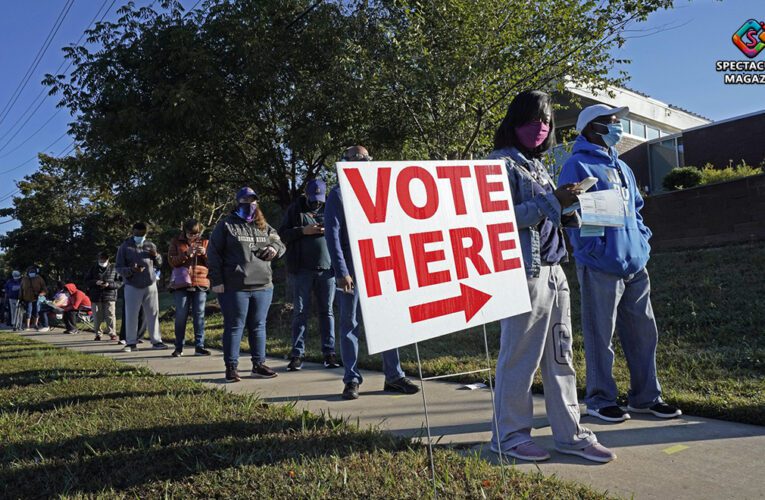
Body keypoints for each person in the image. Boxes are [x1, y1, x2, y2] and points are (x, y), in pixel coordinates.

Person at [487, 91, 615, 463]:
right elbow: (502, 221)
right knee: (520, 356)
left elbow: (546, 215)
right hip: (523, 273)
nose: (541, 128)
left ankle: (570, 432)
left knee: (562, 354)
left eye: (546, 121)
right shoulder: (498, 164)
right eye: (533, 120)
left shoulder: (538, 165)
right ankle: (508, 435)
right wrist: (552, 202)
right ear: (514, 122)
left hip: (556, 268)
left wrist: (569, 208)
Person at [559, 104, 682, 422]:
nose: (617, 127)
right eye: (611, 122)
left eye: (617, 122)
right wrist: (594, 250)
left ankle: (646, 397)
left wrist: (643, 241)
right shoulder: (578, 164)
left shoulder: (623, 167)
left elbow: (636, 209)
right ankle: (601, 399)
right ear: (591, 128)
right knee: (601, 335)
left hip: (635, 264)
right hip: (600, 265)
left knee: (644, 334)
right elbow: (571, 213)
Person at [325, 145, 420, 400]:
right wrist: (342, 271)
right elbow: (332, 237)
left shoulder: (383, 191)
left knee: (389, 322)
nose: (358, 163)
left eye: (363, 159)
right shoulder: (338, 195)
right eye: (353, 159)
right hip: (352, 270)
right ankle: (352, 380)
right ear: (343, 163)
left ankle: (394, 376)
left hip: (381, 266)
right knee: (350, 324)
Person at [208, 187, 286, 382]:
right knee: (235, 326)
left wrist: (274, 249)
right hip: (235, 286)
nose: (250, 204)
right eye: (245, 200)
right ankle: (231, 367)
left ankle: (258, 365)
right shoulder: (226, 225)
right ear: (238, 202)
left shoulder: (264, 226)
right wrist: (216, 280)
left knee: (258, 326)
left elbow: (280, 243)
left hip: (263, 285)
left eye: (253, 200)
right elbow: (213, 253)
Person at [279, 179, 340, 371]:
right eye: (313, 198)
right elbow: (282, 235)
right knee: (300, 312)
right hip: (301, 270)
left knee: (327, 312)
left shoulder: (332, 206)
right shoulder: (295, 209)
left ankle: (329, 353)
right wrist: (302, 231)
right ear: (306, 194)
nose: (317, 202)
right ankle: (297, 354)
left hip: (327, 270)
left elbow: (342, 231)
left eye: (320, 198)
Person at [115, 222, 168, 351]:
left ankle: (156, 341)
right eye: (138, 234)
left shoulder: (150, 245)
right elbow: (119, 267)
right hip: (132, 285)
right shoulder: (124, 247)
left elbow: (160, 263)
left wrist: (156, 256)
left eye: (143, 234)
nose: (140, 236)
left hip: (150, 284)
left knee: (153, 314)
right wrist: (131, 270)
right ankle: (131, 343)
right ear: (133, 232)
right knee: (131, 314)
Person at [168, 219, 211, 357]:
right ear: (184, 231)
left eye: (196, 234)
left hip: (200, 282)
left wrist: (204, 253)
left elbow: (213, 263)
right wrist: (186, 254)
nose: (193, 236)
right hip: (181, 284)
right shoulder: (176, 242)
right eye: (190, 234)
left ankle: (199, 346)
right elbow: (172, 261)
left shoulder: (205, 242)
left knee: (199, 315)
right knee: (181, 315)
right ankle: (178, 347)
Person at [84, 251, 122, 341]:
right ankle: (98, 334)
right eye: (101, 258)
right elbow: (86, 281)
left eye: (104, 258)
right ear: (98, 258)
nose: (102, 260)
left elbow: (120, 282)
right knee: (97, 317)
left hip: (110, 296)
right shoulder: (93, 267)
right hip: (96, 296)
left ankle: (112, 333)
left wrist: (108, 284)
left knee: (110, 316)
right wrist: (95, 282)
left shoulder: (114, 267)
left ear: (108, 259)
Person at [20, 266, 48, 331]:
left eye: (33, 272)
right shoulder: (24, 279)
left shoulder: (39, 278)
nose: (31, 273)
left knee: (36, 311)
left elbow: (44, 289)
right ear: (27, 272)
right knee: (28, 312)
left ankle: (35, 324)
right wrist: (20, 298)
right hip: (27, 298)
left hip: (37, 298)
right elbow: (21, 289)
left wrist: (41, 294)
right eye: (30, 272)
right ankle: (27, 326)